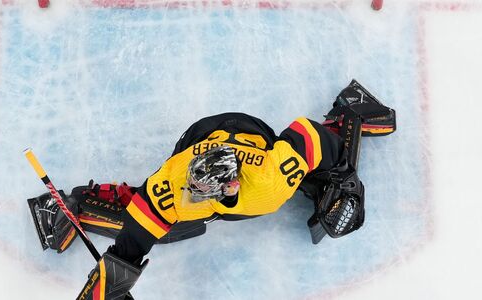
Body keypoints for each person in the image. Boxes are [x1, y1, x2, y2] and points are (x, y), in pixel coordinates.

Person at [27, 79, 396, 300]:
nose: (193, 195)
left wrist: (344, 176)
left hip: (253, 134)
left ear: (231, 187)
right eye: (195, 190)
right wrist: (108, 284)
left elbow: (310, 136)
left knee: (315, 176)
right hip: (199, 136)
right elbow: (132, 241)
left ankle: (350, 106)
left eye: (204, 192)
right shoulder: (174, 182)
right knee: (162, 220)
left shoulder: (267, 181)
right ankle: (76, 204)